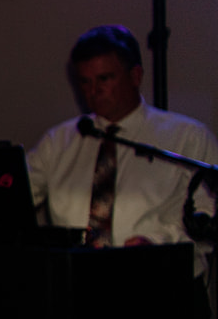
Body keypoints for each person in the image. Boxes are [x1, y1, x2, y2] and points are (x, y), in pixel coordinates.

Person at [27, 24, 218, 262]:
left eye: (104, 79)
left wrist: (157, 242)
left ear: (135, 76)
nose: (94, 91)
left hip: (163, 282)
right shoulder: (59, 141)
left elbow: (208, 216)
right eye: (85, 82)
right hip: (79, 283)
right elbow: (15, 195)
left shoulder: (187, 137)